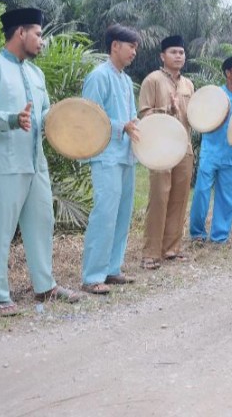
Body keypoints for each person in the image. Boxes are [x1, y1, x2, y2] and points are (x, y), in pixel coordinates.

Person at [0, 8, 81, 316]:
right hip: (0, 163)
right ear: (21, 33)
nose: (42, 42)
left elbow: (43, 114)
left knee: (42, 224)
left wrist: (64, 118)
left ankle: (45, 286)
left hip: (35, 161)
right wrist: (9, 119)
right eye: (39, 34)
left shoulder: (36, 73)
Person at [81, 24, 141, 295]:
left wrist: (135, 126)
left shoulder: (126, 80)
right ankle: (92, 276)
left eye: (136, 48)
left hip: (126, 155)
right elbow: (88, 118)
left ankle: (112, 269)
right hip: (106, 155)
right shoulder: (98, 76)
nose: (134, 52)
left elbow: (130, 117)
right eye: (131, 46)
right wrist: (122, 126)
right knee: (104, 214)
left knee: (122, 214)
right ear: (115, 46)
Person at [138, 35, 195, 269]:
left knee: (180, 198)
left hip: (184, 146)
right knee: (159, 197)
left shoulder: (188, 84)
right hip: (160, 148)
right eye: (173, 52)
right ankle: (151, 253)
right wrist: (166, 109)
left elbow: (194, 115)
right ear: (162, 56)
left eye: (181, 52)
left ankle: (171, 248)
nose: (178, 56)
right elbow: (144, 115)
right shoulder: (152, 80)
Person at [188, 55, 232, 243]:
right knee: (202, 191)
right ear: (228, 73)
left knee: (228, 196)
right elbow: (201, 118)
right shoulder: (213, 94)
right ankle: (197, 233)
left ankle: (219, 236)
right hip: (211, 151)